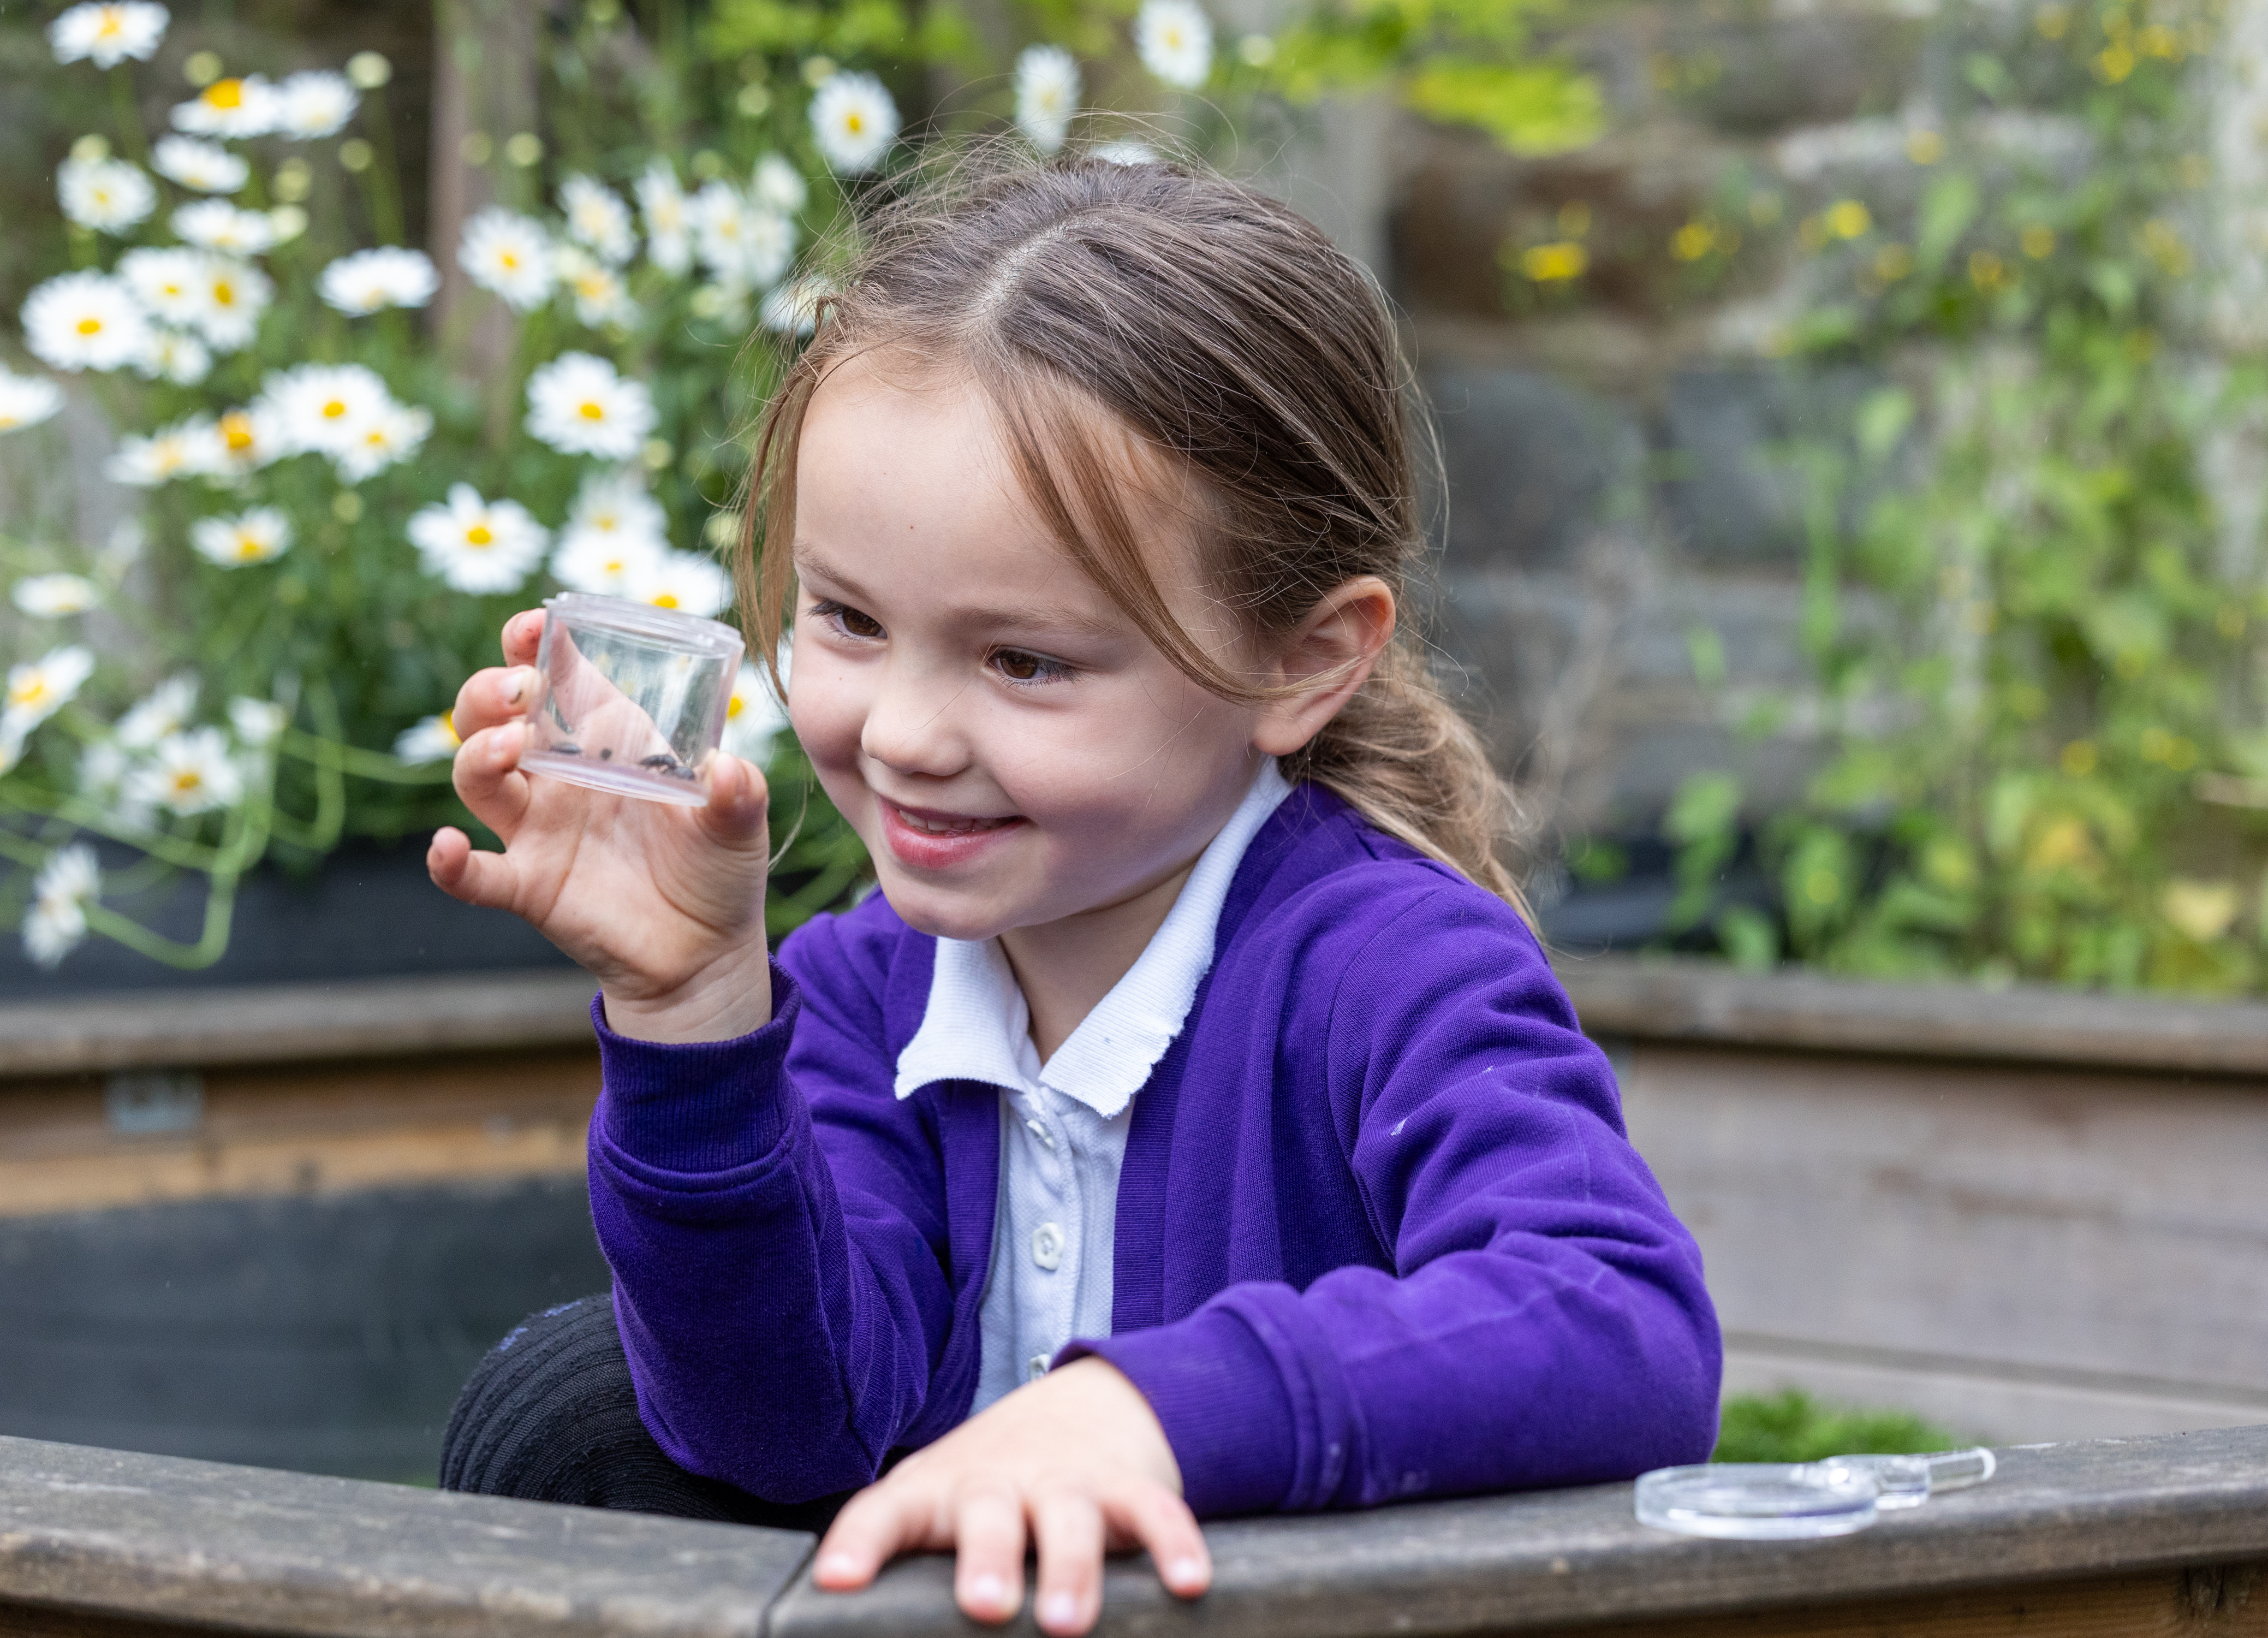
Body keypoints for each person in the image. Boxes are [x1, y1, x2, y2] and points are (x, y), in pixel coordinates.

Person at [432, 152, 1721, 1636]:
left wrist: (1140, 1415)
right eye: (847, 620)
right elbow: (780, 1434)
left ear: (1303, 661)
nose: (904, 733)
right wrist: (689, 1012)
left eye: (1024, 661)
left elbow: (1616, 1320)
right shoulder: (865, 994)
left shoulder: (1390, 967)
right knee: (569, 1411)